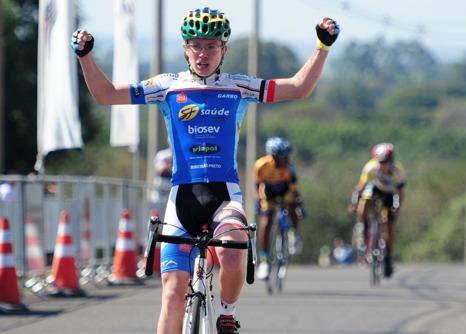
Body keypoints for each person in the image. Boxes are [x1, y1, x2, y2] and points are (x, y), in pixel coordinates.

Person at [71, 7, 340, 334]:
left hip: (224, 195)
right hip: (181, 198)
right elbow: (106, 95)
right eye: (196, 45)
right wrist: (85, 56)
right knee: (172, 293)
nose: (203, 53)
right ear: (185, 48)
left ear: (224, 50)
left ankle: (227, 313)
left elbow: (298, 88)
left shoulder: (238, 87)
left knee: (232, 247)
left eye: (212, 45)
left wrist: (322, 47)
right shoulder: (166, 86)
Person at [351, 143, 406, 278]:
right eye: (380, 162)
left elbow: (400, 192)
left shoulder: (398, 171)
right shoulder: (370, 168)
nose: (383, 165)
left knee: (389, 226)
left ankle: (387, 259)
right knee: (364, 201)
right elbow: (360, 187)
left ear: (391, 161)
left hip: (390, 193)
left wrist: (397, 207)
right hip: (374, 190)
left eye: (386, 162)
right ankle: (365, 227)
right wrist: (354, 203)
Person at [254, 137, 306, 280]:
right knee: (266, 222)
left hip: (285, 190)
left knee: (293, 206)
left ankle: (294, 234)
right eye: (284, 156)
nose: (287, 159)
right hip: (269, 192)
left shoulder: (289, 168)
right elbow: (258, 185)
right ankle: (264, 261)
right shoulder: (261, 165)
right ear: (274, 156)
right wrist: (259, 202)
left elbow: (294, 190)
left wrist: (297, 204)